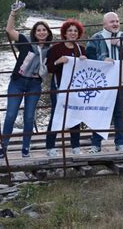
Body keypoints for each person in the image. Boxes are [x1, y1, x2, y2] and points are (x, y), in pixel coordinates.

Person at [0, 1, 53, 159]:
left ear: (48, 33)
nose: (41, 33)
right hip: (18, 82)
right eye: (38, 30)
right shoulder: (25, 41)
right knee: (10, 115)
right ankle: (3, 147)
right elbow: (9, 30)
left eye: (44, 30)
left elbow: (62, 56)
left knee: (29, 117)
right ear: (34, 32)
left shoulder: (50, 49)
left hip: (35, 85)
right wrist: (13, 12)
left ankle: (26, 147)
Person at [86, 12, 123, 153]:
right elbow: (88, 58)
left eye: (117, 21)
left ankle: (120, 143)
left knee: (120, 113)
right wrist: (101, 60)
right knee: (100, 113)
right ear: (104, 24)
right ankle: (96, 144)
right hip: (102, 85)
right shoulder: (96, 38)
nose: (115, 24)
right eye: (112, 22)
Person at [45, 19, 87, 157]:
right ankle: (50, 146)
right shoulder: (56, 48)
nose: (73, 33)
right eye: (70, 31)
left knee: (75, 115)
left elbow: (88, 69)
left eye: (75, 31)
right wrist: (59, 61)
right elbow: (50, 68)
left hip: (76, 88)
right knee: (56, 114)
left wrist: (84, 61)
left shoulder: (81, 49)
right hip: (58, 86)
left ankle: (75, 146)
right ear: (64, 33)